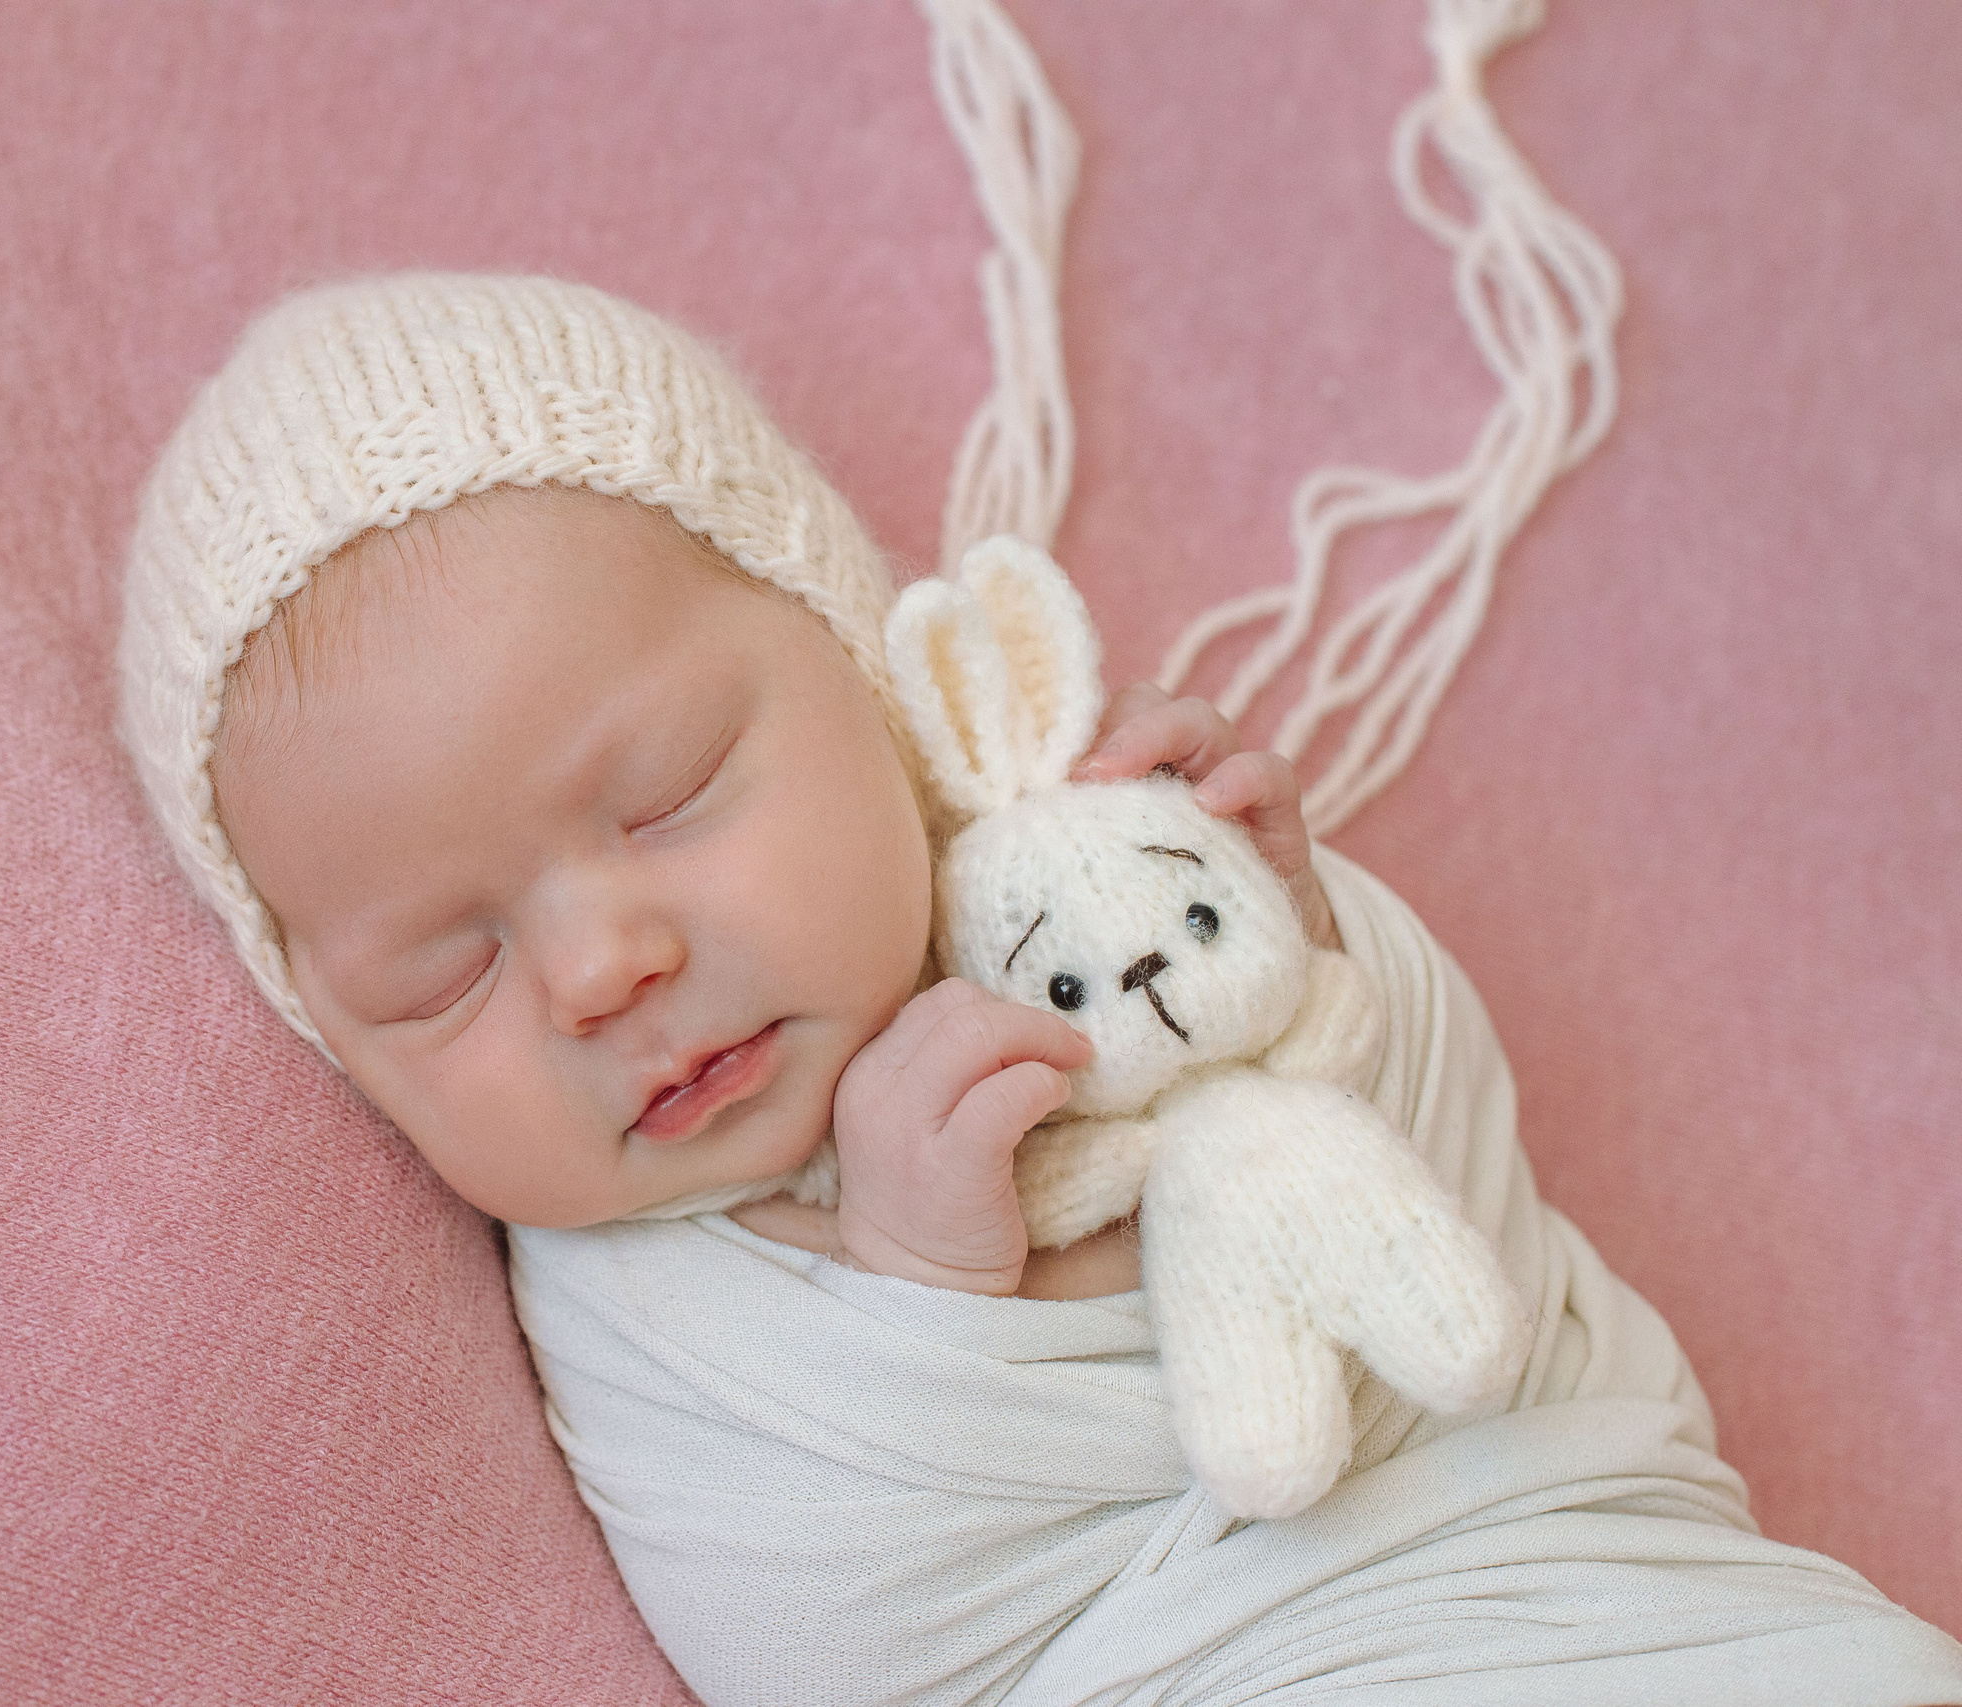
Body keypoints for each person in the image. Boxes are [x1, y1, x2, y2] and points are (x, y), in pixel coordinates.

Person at [119, 273, 1962, 1704]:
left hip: (1614, 1594)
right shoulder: (646, 1287)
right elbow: (819, 1656)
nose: (604, 970)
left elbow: (1486, 1264)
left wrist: (1297, 958)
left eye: (669, 795)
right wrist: (931, 1288)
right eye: (447, 977)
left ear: (859, 661)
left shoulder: (1079, 886)